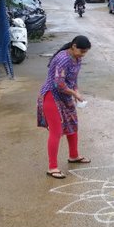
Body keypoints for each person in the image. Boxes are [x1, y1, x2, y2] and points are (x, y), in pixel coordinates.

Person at [37, 36, 92, 179]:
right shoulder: (63, 59)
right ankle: (52, 167)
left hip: (65, 96)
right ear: (73, 46)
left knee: (73, 125)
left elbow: (73, 79)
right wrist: (74, 93)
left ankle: (74, 155)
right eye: (81, 51)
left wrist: (76, 91)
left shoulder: (77, 58)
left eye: (85, 52)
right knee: (56, 131)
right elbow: (59, 84)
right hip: (51, 96)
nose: (83, 54)